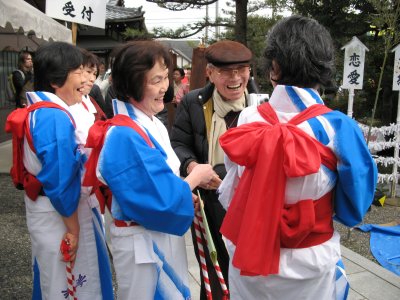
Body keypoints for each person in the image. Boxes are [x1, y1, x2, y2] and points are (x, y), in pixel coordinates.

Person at [217, 15, 378, 299]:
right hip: (310, 261)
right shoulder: (338, 128)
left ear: (274, 68)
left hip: (248, 256)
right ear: (324, 70)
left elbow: (233, 184)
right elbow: (355, 207)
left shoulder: (247, 118)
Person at [83, 40, 218, 300]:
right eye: (156, 80)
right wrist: (193, 179)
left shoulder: (149, 123)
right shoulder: (123, 134)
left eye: (166, 77)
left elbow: (156, 184)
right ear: (132, 83)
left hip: (156, 236)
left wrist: (182, 188)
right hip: (141, 242)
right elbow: (159, 198)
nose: (164, 87)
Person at [5, 42, 113, 299]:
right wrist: (73, 229)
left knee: (52, 280)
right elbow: (61, 179)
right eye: (78, 72)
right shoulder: (53, 117)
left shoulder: (41, 110)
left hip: (50, 210)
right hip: (61, 214)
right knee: (71, 285)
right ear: (56, 80)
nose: (86, 79)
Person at [170, 40, 253, 299]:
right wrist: (193, 166)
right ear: (210, 72)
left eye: (242, 69)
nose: (236, 78)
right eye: (226, 71)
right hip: (210, 203)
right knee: (215, 267)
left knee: (251, 269)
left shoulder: (262, 104)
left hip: (251, 203)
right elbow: (179, 143)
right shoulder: (194, 102)